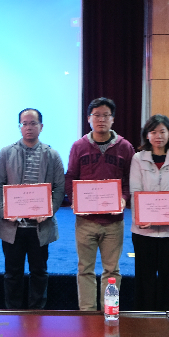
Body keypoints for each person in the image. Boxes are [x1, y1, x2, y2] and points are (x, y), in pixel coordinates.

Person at [65, 97, 134, 312]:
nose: (101, 119)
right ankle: (87, 313)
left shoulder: (125, 147)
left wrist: (124, 198)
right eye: (96, 115)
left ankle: (109, 311)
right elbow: (71, 177)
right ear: (89, 119)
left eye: (106, 115)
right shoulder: (79, 146)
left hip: (114, 222)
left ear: (113, 119)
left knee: (112, 270)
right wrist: (75, 200)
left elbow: (130, 180)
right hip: (85, 221)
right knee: (85, 269)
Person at [0, 108, 66, 310]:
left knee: (39, 272)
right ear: (19, 127)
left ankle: (36, 314)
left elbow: (60, 188)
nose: (29, 127)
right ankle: (12, 312)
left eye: (33, 123)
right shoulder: (6, 153)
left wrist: (49, 210)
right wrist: (4, 210)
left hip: (40, 227)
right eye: (24, 123)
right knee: (12, 273)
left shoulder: (52, 155)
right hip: (12, 226)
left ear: (41, 126)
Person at [129, 114, 169, 311]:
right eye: (153, 132)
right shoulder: (138, 158)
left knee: (168, 277)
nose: (158, 136)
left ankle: (166, 318)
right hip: (143, 231)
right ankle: (143, 318)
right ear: (147, 135)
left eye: (162, 131)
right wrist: (139, 218)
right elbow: (135, 191)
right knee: (144, 277)